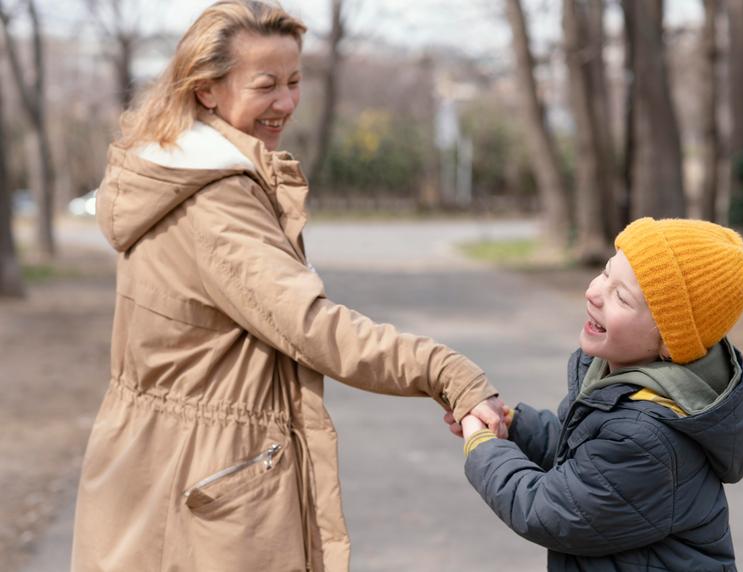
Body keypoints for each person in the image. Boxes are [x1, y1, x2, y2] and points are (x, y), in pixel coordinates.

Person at [71, 2, 506, 571]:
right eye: (266, 85)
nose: (285, 102)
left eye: (295, 82)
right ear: (207, 90)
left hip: (151, 462)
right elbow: (310, 326)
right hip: (210, 478)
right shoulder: (214, 199)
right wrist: (448, 373)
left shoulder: (173, 172)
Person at [451, 217, 743, 571]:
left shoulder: (648, 437)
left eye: (621, 297)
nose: (593, 292)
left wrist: (483, 445)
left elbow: (549, 509)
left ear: (670, 344)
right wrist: (514, 424)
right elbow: (585, 455)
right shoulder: (622, 377)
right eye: (605, 272)